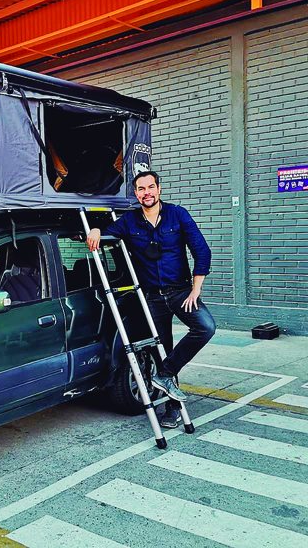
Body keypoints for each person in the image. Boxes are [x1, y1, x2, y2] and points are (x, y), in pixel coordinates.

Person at [86, 170, 216, 428]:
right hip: (151, 298)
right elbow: (108, 231)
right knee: (162, 349)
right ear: (136, 194)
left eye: (150, 187)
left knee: (205, 327)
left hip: (180, 291)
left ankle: (165, 374)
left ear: (159, 189)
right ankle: (172, 409)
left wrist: (196, 289)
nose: (146, 192)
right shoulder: (130, 221)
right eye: (141, 189)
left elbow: (202, 250)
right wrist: (97, 229)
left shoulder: (177, 214)